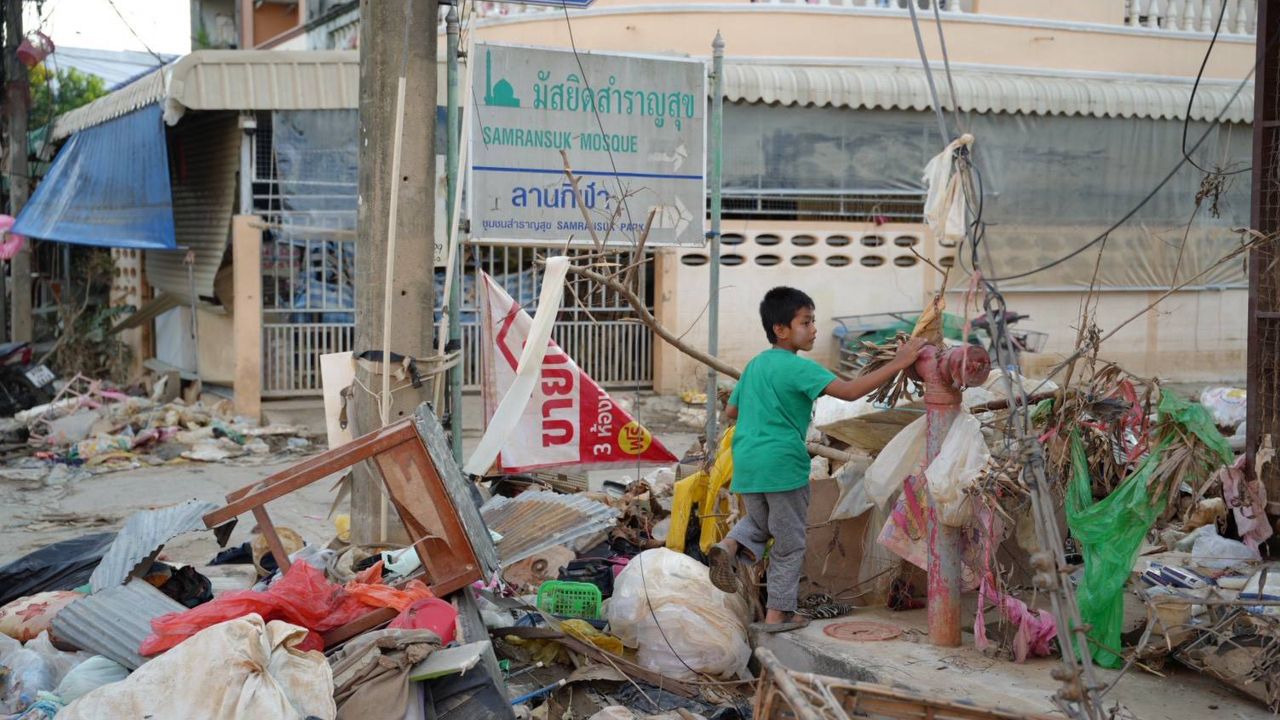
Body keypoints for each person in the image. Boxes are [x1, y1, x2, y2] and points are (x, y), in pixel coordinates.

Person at [708, 286, 927, 632]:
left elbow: (732, 409)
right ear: (781, 329)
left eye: (813, 322)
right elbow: (852, 391)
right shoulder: (798, 368)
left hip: (747, 463)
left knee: (761, 525)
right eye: (806, 322)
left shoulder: (755, 365)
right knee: (790, 542)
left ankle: (730, 544)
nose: (813, 329)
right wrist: (900, 363)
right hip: (782, 464)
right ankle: (780, 613)